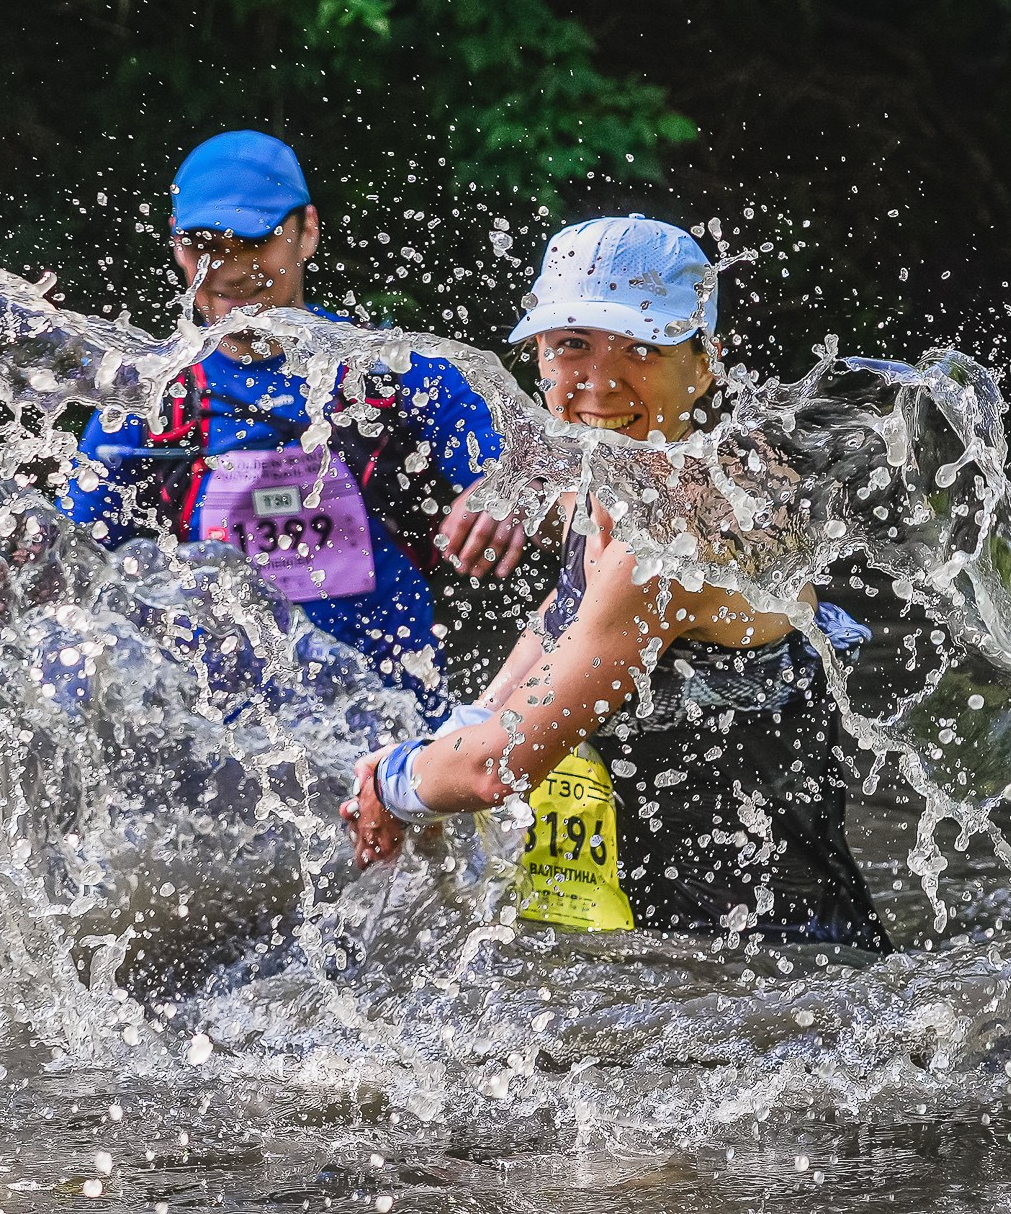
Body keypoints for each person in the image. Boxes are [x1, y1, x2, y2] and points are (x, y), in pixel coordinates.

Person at [340, 216, 889, 949]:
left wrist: (398, 781)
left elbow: (492, 769)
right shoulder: (604, 487)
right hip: (673, 967)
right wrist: (469, 720)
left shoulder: (677, 537)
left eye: (641, 349)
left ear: (704, 366)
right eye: (572, 345)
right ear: (537, 355)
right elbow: (566, 622)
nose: (598, 382)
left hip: (786, 982)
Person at [60, 130, 528, 716]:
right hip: (215, 745)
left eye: (251, 239)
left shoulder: (393, 375)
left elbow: (525, 467)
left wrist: (502, 489)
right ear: (176, 247)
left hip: (392, 728)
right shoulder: (145, 402)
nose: (227, 265)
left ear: (307, 231)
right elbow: (71, 569)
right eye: (202, 242)